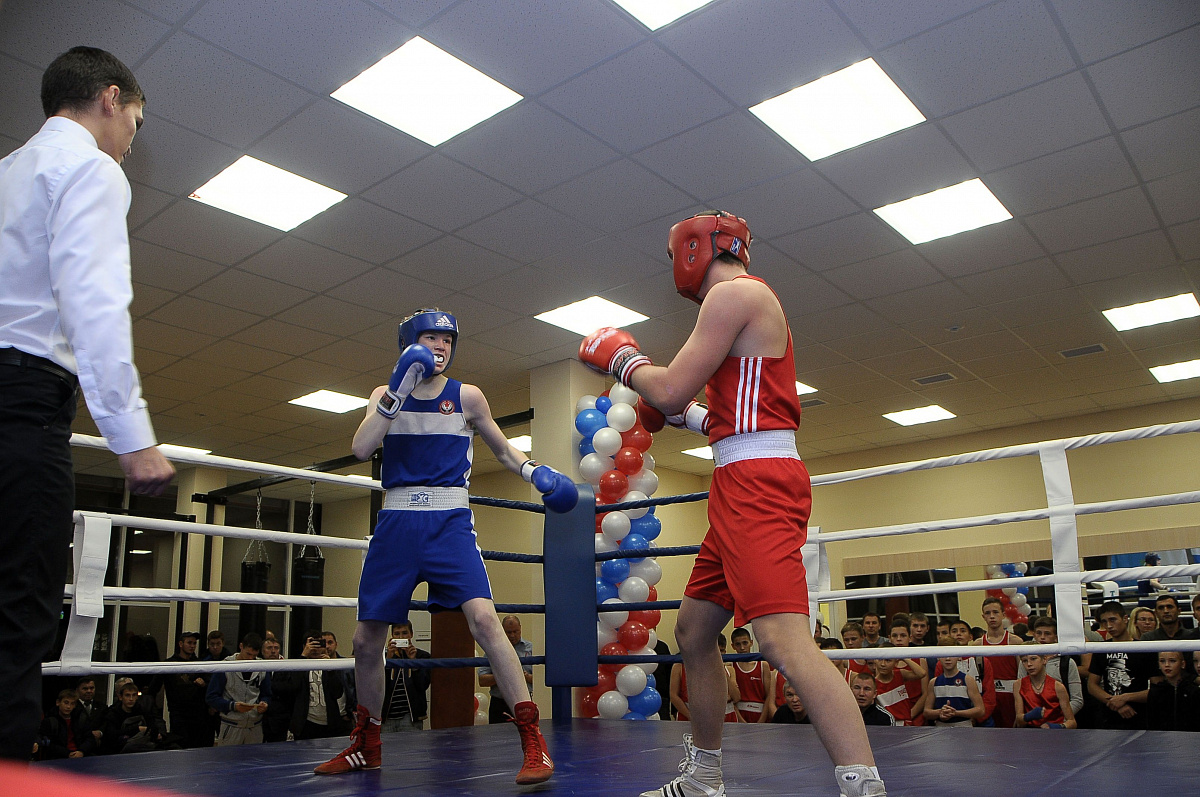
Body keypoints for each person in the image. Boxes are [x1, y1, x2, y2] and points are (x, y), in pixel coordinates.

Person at [581, 211, 884, 797]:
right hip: (737, 478)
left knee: (783, 642)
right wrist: (689, 414)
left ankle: (864, 787)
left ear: (693, 250)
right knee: (694, 631)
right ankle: (704, 776)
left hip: (757, 485)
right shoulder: (741, 302)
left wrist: (622, 358)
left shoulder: (734, 294)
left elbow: (670, 388)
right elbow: (738, 411)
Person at [0, 45, 175, 762]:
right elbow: (93, 303)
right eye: (135, 120)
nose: (131, 139)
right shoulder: (90, 169)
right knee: (21, 608)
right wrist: (131, 436)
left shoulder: (7, 170)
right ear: (110, 98)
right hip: (24, 405)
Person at [315, 309, 575, 784]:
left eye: (448, 340)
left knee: (485, 621)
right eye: (431, 337)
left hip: (449, 521)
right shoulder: (382, 394)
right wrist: (397, 391)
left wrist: (534, 471)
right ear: (409, 343)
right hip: (396, 522)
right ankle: (367, 746)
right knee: (364, 640)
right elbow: (361, 448)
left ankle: (533, 741)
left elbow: (503, 448)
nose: (440, 346)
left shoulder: (467, 395)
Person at [1087, 602, 1155, 730]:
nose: (1109, 626)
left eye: (1113, 620)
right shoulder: (1101, 649)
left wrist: (1126, 697)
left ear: (1125, 619)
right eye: (1104, 621)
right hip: (1109, 717)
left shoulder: (1143, 648)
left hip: (1139, 715)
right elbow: (1092, 685)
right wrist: (1115, 703)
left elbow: (1157, 689)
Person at [147, 630, 210, 749]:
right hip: (178, 714)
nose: (192, 646)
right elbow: (153, 690)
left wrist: (203, 684)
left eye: (194, 643)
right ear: (181, 644)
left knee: (198, 747)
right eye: (189, 643)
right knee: (180, 746)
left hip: (198, 714)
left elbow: (210, 687)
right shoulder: (169, 664)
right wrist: (154, 713)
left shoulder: (200, 664)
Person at [205, 633, 271, 746]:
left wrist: (265, 704)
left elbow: (267, 694)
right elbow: (211, 697)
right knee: (228, 757)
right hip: (231, 725)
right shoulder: (225, 666)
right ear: (241, 646)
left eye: (254, 656)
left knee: (254, 757)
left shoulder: (262, 667)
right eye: (248, 654)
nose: (250, 659)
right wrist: (233, 706)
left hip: (255, 726)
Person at [970, 597, 1019, 727]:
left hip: (1011, 697)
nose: (992, 616)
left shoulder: (1015, 641)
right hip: (987, 697)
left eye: (995, 612)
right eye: (988, 613)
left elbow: (1023, 675)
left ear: (1003, 614)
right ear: (983, 617)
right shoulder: (977, 644)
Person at [1024, 616, 1084, 718]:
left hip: (1060, 721)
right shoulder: (1026, 661)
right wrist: (1031, 717)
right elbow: (1021, 693)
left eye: (1047, 633)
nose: (1042, 637)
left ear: (1056, 637)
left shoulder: (1067, 663)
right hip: (1032, 720)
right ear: (1034, 635)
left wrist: (1058, 719)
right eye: (1039, 633)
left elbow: (1077, 700)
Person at [480, 615, 534, 724]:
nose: (512, 635)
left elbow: (541, 680)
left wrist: (525, 676)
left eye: (515, 631)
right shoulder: (493, 648)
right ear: (502, 630)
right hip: (499, 704)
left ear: (520, 628)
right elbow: (482, 680)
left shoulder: (531, 648)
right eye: (508, 632)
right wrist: (503, 675)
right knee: (497, 735)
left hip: (524, 703)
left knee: (526, 733)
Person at [381, 622, 431, 732]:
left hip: (411, 716)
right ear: (392, 636)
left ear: (411, 634)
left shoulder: (422, 656)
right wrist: (388, 661)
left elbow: (423, 685)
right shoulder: (383, 658)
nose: (401, 637)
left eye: (404, 633)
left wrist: (413, 662)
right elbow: (378, 686)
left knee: (412, 743)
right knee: (387, 744)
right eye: (397, 634)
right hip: (387, 717)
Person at [924, 639, 984, 727]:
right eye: (944, 655)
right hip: (940, 728)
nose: (948, 659)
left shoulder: (968, 680)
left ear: (959, 656)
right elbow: (926, 712)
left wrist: (956, 713)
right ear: (938, 657)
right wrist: (940, 712)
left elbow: (980, 710)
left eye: (951, 654)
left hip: (964, 727)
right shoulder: (934, 682)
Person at [1014, 648, 1076, 729]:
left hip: (1055, 733)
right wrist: (1029, 716)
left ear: (1044, 660)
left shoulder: (1058, 687)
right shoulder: (1018, 685)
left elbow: (1072, 722)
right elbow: (1019, 722)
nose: (1029, 664)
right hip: (1030, 732)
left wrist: (1057, 727)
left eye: (1033, 659)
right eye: (1024, 661)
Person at [1145, 651, 1200, 731]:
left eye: (1172, 661)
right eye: (1162, 661)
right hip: (1162, 737)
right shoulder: (1155, 691)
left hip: (1190, 736)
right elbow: (1152, 722)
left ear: (1182, 664)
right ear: (1158, 664)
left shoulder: (1193, 690)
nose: (1167, 665)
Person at [37, 690, 97, 759]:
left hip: (81, 755)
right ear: (58, 702)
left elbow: (90, 738)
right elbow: (49, 744)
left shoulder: (81, 718)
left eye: (72, 704)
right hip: (59, 757)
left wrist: (81, 751)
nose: (68, 707)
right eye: (66, 703)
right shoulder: (50, 720)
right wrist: (67, 753)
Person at [729, 627, 771, 723]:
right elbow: (732, 698)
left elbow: (769, 696)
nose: (742, 648)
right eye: (738, 644)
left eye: (745, 643)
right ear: (733, 646)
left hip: (760, 714)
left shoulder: (763, 665)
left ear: (751, 643)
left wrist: (761, 721)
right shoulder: (731, 666)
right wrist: (741, 721)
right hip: (739, 714)